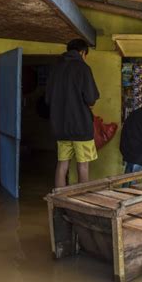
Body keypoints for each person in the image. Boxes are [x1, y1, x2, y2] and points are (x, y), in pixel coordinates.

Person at [46, 39, 100, 187]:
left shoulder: (56, 68)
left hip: (61, 127)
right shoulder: (83, 68)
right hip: (81, 127)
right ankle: (81, 204)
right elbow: (90, 99)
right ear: (82, 52)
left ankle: (59, 203)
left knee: (62, 165)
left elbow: (48, 98)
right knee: (83, 166)